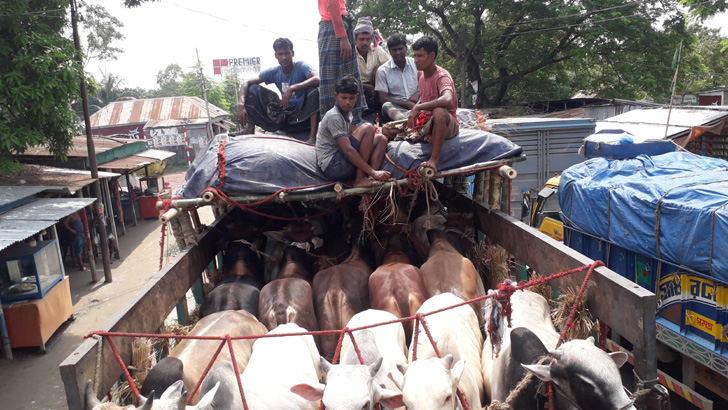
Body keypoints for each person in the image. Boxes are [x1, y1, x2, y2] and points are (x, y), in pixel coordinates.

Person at [383, 35, 459, 174]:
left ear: (432, 55)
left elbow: (448, 99)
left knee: (439, 111)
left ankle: (434, 160)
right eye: (415, 56)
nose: (416, 60)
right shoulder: (420, 74)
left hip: (446, 123)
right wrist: (415, 110)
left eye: (420, 56)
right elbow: (424, 97)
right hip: (426, 121)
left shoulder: (442, 76)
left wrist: (418, 107)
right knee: (386, 130)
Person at [237, 38, 320, 142]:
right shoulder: (274, 71)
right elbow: (246, 83)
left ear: (293, 53)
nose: (284, 57)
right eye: (280, 54)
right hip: (284, 112)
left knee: (313, 91)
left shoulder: (302, 66)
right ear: (276, 56)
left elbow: (317, 79)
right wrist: (240, 105)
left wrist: (292, 88)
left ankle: (312, 137)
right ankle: (249, 130)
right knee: (253, 88)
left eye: (287, 53)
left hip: (302, 113)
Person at [316, 75, 391, 188]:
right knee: (368, 128)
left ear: (357, 97)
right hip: (333, 166)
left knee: (381, 139)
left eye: (351, 98)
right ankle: (360, 179)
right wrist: (372, 171)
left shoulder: (348, 114)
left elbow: (354, 139)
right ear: (336, 96)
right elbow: (347, 150)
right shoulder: (334, 116)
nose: (347, 102)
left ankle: (371, 179)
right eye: (344, 97)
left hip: (341, 161)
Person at [317, 0, 367, 124]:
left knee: (346, 79)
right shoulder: (338, 33)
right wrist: (342, 37)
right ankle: (335, 127)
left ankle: (351, 125)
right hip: (334, 27)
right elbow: (332, 4)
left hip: (335, 26)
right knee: (334, 79)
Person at [375, 33, 420, 122]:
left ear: (406, 48)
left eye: (400, 49)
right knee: (386, 106)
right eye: (394, 50)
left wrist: (418, 96)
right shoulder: (383, 71)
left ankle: (414, 119)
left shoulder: (416, 64)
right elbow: (383, 99)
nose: (398, 52)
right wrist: (407, 104)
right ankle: (409, 120)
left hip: (419, 104)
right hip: (397, 109)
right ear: (390, 51)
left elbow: (427, 85)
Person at [353, 17, 390, 115]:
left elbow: (391, 64)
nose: (365, 43)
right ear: (355, 40)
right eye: (361, 39)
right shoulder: (350, 52)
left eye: (367, 39)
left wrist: (378, 67)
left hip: (376, 86)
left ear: (371, 39)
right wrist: (366, 86)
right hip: (357, 87)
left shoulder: (377, 50)